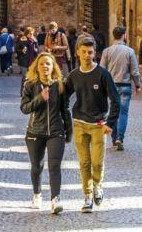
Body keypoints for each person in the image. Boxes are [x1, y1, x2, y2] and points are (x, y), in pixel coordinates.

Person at [63, 35, 120, 212]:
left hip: (98, 124)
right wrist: (65, 119)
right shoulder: (74, 75)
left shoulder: (103, 74)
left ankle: (97, 186)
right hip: (79, 122)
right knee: (84, 163)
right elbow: (64, 97)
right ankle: (87, 195)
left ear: (95, 53)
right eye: (84, 52)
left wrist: (110, 123)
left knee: (97, 162)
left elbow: (115, 99)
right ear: (78, 53)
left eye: (90, 52)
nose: (87, 55)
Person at [20, 51, 72, 215]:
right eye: (41, 64)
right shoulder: (30, 84)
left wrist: (68, 130)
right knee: (37, 166)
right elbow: (24, 108)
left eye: (48, 64)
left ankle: (55, 199)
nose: (44, 66)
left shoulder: (59, 85)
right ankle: (37, 194)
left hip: (56, 131)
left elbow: (65, 109)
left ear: (53, 67)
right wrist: (40, 98)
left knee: (54, 165)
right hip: (35, 131)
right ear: (37, 67)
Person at [99, 25, 142, 150]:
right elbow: (134, 71)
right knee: (123, 113)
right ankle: (119, 138)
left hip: (111, 86)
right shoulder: (129, 51)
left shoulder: (106, 51)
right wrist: (138, 85)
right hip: (125, 86)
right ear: (124, 35)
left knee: (113, 112)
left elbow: (102, 70)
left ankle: (114, 138)